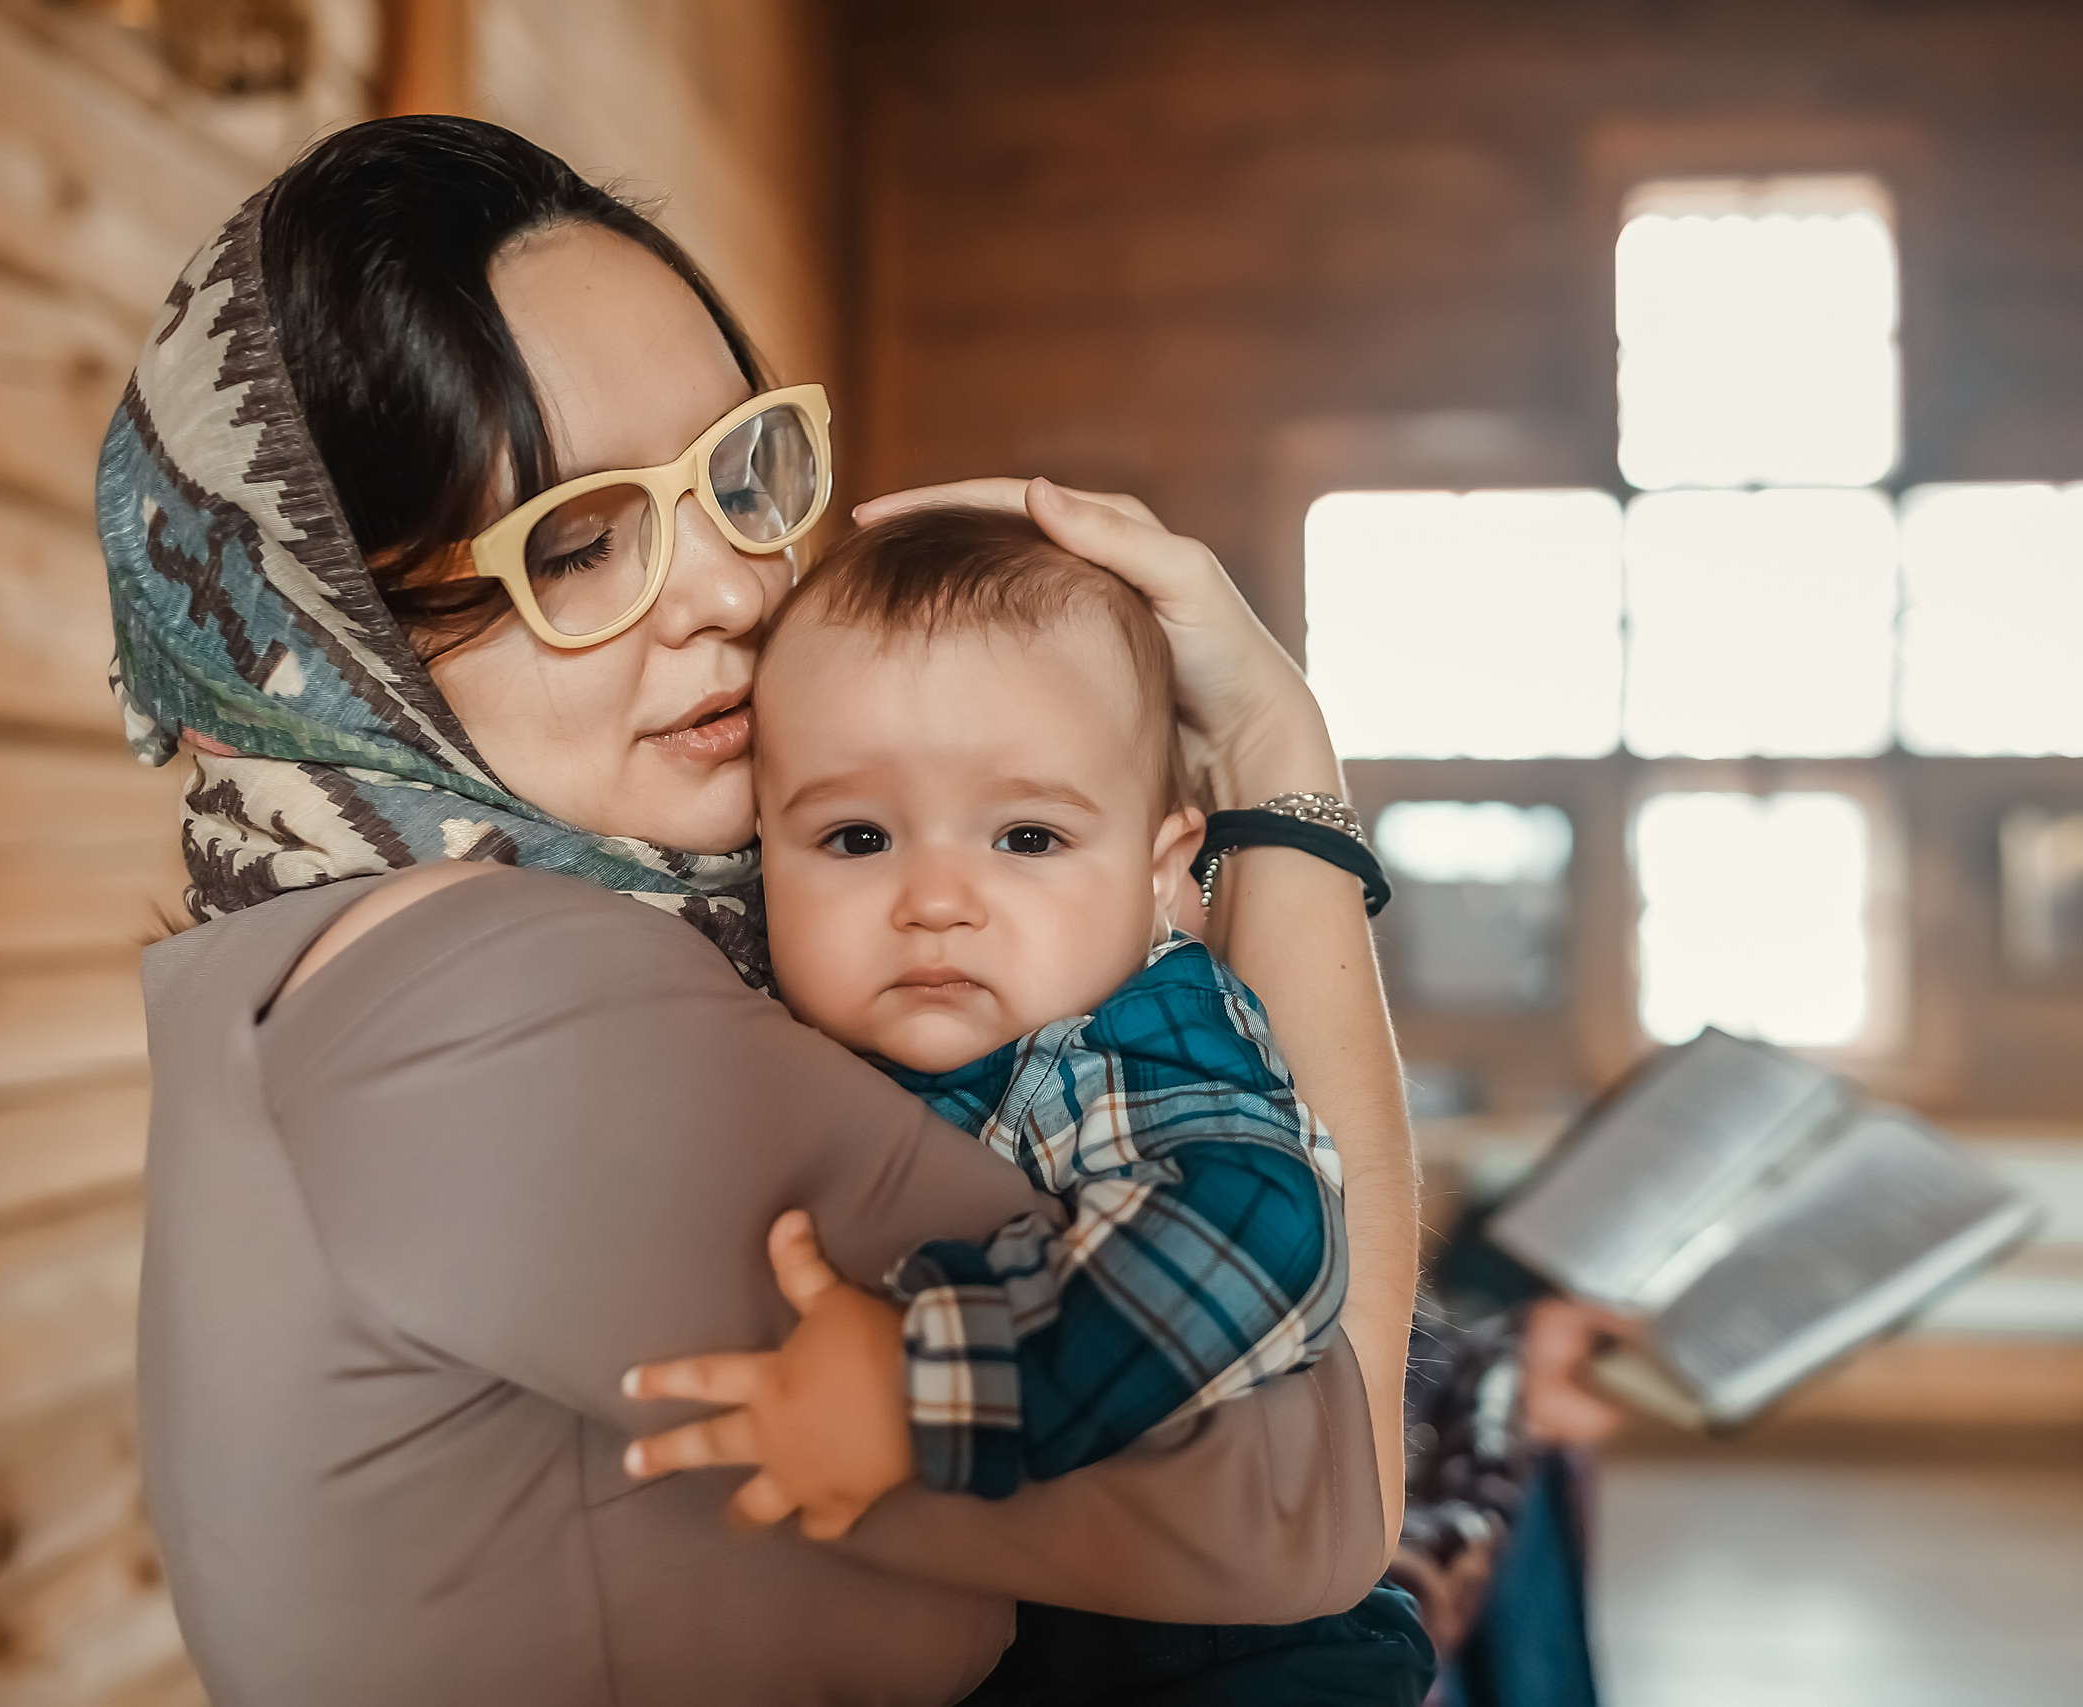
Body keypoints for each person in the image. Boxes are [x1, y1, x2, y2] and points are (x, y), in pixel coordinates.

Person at [113, 114, 1429, 1706]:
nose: (736, 586)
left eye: (738, 477)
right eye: (580, 543)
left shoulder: (337, 978)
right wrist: (1283, 759)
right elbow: (1318, 1485)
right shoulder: (491, 1008)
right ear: (308, 641)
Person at [623, 504, 1432, 1703]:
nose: (937, 899)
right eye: (856, 837)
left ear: (1163, 874)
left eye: (1026, 835)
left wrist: (923, 1378)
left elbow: (1258, 1220)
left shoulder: (1115, 1039)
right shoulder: (779, 1040)